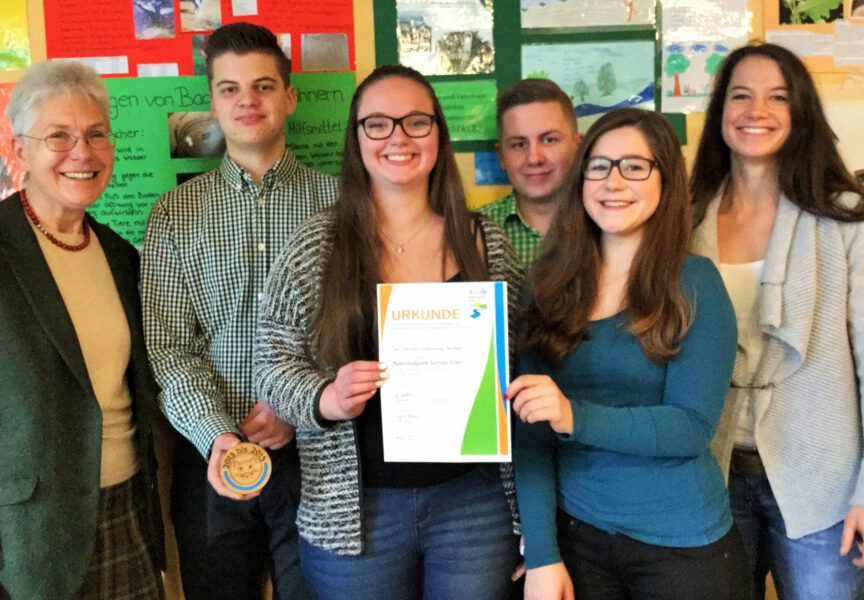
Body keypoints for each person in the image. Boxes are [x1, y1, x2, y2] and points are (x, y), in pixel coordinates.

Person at [254, 64, 522, 600]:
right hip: (355, 514)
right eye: (377, 124)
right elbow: (269, 363)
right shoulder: (315, 247)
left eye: (416, 122)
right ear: (357, 139)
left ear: (438, 133)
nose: (398, 137)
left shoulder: (485, 243)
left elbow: (525, 360)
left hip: (473, 506)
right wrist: (326, 398)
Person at [511, 108, 748, 600]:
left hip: (682, 547)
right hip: (578, 538)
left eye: (634, 166)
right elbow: (529, 434)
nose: (613, 182)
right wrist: (542, 554)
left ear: (665, 179)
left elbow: (691, 428)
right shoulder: (547, 285)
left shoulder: (695, 283)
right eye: (598, 166)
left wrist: (574, 416)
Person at [142, 22, 337, 600]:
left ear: (289, 98)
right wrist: (217, 435)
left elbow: (358, 334)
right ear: (213, 101)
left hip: (321, 454)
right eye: (230, 88)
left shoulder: (342, 204)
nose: (247, 101)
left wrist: (298, 406)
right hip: (210, 457)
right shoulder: (174, 214)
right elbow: (168, 346)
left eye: (263, 86)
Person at [690, 42, 864, 599]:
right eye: (740, 96)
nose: (756, 111)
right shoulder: (686, 219)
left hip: (824, 486)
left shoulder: (844, 217)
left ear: (800, 112)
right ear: (720, 111)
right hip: (711, 480)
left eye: (778, 98)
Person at [0, 60, 164, 599]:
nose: (82, 153)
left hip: (126, 508)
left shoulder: (120, 256)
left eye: (96, 134)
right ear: (19, 150)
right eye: (59, 137)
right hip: (27, 535)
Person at [480, 78, 581, 270]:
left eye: (549, 140)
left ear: (578, 146)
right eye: (519, 145)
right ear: (501, 156)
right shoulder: (473, 232)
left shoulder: (608, 223)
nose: (534, 158)